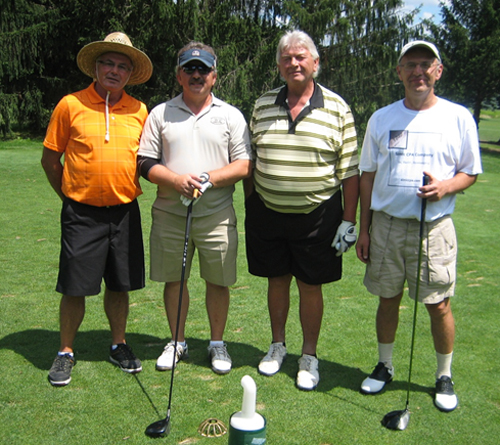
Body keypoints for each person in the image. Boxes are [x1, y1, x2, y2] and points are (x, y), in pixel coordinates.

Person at [356, 40, 482, 412]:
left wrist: (444, 187)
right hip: (388, 225)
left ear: (438, 71)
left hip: (434, 227)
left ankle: (444, 375)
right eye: (410, 65)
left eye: (426, 64)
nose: (418, 71)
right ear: (399, 72)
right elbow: (367, 175)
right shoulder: (382, 118)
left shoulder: (458, 117)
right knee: (387, 298)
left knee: (439, 305)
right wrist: (364, 229)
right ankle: (384, 366)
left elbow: (469, 172)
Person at [245, 30, 359, 391]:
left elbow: (350, 171)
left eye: (300, 57)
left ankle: (308, 356)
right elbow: (250, 159)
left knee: (311, 286)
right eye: (286, 58)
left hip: (319, 216)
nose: (293, 63)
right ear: (279, 66)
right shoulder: (262, 104)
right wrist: (251, 202)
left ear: (315, 63)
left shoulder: (338, 108)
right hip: (267, 212)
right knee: (276, 281)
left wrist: (349, 220)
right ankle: (277, 346)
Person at [41, 32, 153, 386]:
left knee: (120, 284)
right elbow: (49, 159)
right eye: (108, 63)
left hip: (124, 211)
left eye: (122, 66)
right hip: (81, 212)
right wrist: (70, 197)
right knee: (74, 285)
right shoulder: (70, 104)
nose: (114, 70)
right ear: (96, 67)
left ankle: (117, 344)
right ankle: (66, 351)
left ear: (129, 74)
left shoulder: (139, 110)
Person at [137, 42, 252, 375]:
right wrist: (175, 180)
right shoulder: (161, 113)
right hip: (171, 214)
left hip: (216, 214)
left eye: (203, 69)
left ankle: (216, 343)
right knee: (175, 280)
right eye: (190, 69)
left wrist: (209, 178)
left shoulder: (230, 115)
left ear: (214, 76)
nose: (196, 75)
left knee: (218, 281)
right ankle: (177, 341)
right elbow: (145, 162)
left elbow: (244, 164)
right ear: (179, 75)